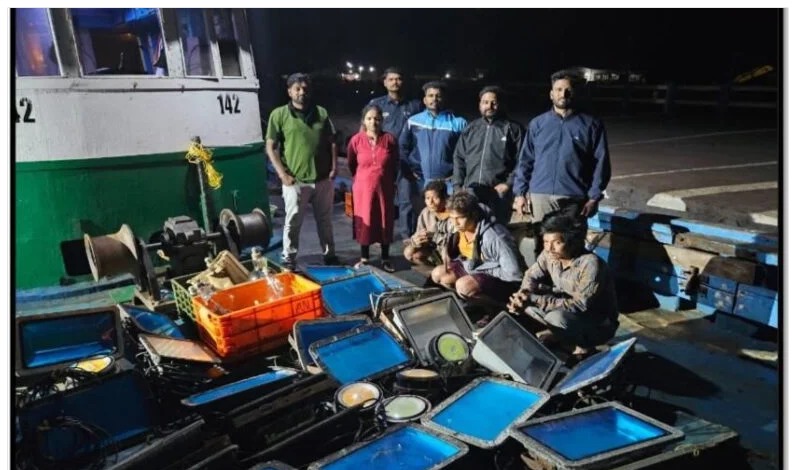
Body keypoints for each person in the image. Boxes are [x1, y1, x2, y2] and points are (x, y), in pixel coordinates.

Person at [512, 71, 611, 253]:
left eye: (568, 90)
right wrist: (520, 193)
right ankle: (544, 273)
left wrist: (594, 197)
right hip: (541, 196)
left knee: (572, 247)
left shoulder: (591, 125)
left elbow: (601, 163)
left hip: (574, 198)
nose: (563, 94)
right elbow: (526, 160)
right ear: (551, 94)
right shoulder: (538, 124)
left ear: (575, 93)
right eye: (558, 90)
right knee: (543, 248)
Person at [507, 214, 619, 359]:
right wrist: (523, 295)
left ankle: (582, 347)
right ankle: (560, 336)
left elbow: (580, 305)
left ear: (571, 242)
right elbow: (531, 276)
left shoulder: (590, 264)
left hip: (598, 323)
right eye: (546, 242)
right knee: (526, 306)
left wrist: (534, 299)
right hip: (570, 313)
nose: (549, 248)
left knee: (556, 318)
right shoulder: (549, 255)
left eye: (557, 243)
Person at [265, 73, 340, 270]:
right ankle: (289, 258)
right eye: (297, 89)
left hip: (322, 179)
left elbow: (332, 142)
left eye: (305, 89)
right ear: (289, 92)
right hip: (295, 181)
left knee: (325, 221)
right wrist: (282, 175)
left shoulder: (321, 113)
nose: (301, 92)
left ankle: (330, 255)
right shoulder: (279, 115)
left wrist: (334, 167)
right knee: (293, 221)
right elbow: (271, 147)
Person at [399, 81, 467, 236]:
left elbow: (466, 153)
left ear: (444, 99)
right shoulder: (413, 121)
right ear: (424, 100)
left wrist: (458, 176)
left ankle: (449, 247)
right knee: (420, 219)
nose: (434, 99)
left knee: (451, 219)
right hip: (421, 181)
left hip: (448, 183)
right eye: (430, 95)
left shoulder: (459, 123)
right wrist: (408, 170)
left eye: (438, 96)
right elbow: (402, 148)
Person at [431, 192, 522, 303]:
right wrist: (446, 250)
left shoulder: (495, 237)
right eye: (452, 218)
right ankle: (471, 303)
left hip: (500, 279)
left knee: (464, 287)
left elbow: (514, 274)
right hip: (471, 266)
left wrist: (481, 269)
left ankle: (496, 308)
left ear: (473, 215)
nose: (455, 223)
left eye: (460, 218)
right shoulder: (457, 226)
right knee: (438, 275)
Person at [452, 85, 525, 225]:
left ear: (500, 104)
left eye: (494, 102)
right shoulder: (471, 128)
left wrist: (508, 184)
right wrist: (458, 186)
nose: (489, 106)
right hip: (471, 191)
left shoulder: (514, 129)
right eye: (485, 102)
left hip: (498, 193)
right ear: (480, 104)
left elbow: (522, 160)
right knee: (471, 229)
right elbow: (459, 158)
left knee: (497, 229)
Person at [368, 67, 422, 241]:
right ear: (384, 82)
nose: (395, 82)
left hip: (406, 160)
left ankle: (407, 236)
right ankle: (380, 233)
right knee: (381, 198)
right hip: (383, 159)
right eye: (391, 79)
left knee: (406, 199)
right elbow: (365, 129)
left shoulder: (415, 105)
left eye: (398, 79)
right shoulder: (376, 104)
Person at [347, 105, 399, 272]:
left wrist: (389, 180)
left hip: (385, 187)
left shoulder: (390, 140)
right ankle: (365, 258)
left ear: (382, 120)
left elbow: (395, 163)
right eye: (369, 118)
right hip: (363, 189)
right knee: (366, 220)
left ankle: (385, 258)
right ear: (364, 120)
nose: (373, 122)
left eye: (376, 118)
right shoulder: (356, 140)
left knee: (385, 219)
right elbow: (351, 163)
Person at [403, 180, 453, 266]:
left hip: (449, 251)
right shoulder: (425, 213)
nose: (430, 202)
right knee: (409, 252)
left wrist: (434, 236)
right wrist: (416, 240)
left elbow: (454, 241)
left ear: (444, 198)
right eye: (428, 198)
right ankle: (433, 272)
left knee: (446, 254)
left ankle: (445, 272)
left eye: (435, 198)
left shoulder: (453, 214)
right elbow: (418, 233)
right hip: (433, 248)